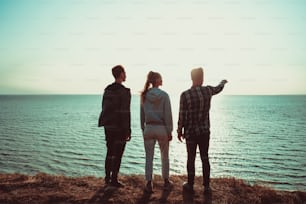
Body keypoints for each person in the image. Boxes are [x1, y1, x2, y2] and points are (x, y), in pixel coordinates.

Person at [177, 67, 227, 194]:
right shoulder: (208, 90)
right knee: (205, 158)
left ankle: (190, 184)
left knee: (191, 158)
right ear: (202, 77)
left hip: (190, 133)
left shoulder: (185, 95)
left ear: (192, 78)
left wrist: (179, 130)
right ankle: (206, 186)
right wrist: (223, 82)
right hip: (204, 132)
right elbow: (218, 88)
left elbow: (182, 115)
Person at [98, 65, 131, 187]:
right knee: (118, 153)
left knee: (110, 151)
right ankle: (114, 179)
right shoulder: (125, 91)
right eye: (125, 72)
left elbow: (104, 107)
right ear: (121, 74)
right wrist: (128, 129)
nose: (126, 75)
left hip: (108, 125)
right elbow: (125, 112)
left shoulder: (107, 89)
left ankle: (107, 177)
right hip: (120, 126)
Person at [140, 71, 173, 193]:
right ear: (156, 80)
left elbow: (141, 115)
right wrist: (169, 131)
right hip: (161, 128)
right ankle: (166, 181)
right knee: (165, 156)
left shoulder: (144, 95)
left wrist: (144, 129)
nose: (162, 79)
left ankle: (149, 183)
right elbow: (168, 115)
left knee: (149, 157)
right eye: (160, 77)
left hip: (149, 128)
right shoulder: (164, 95)